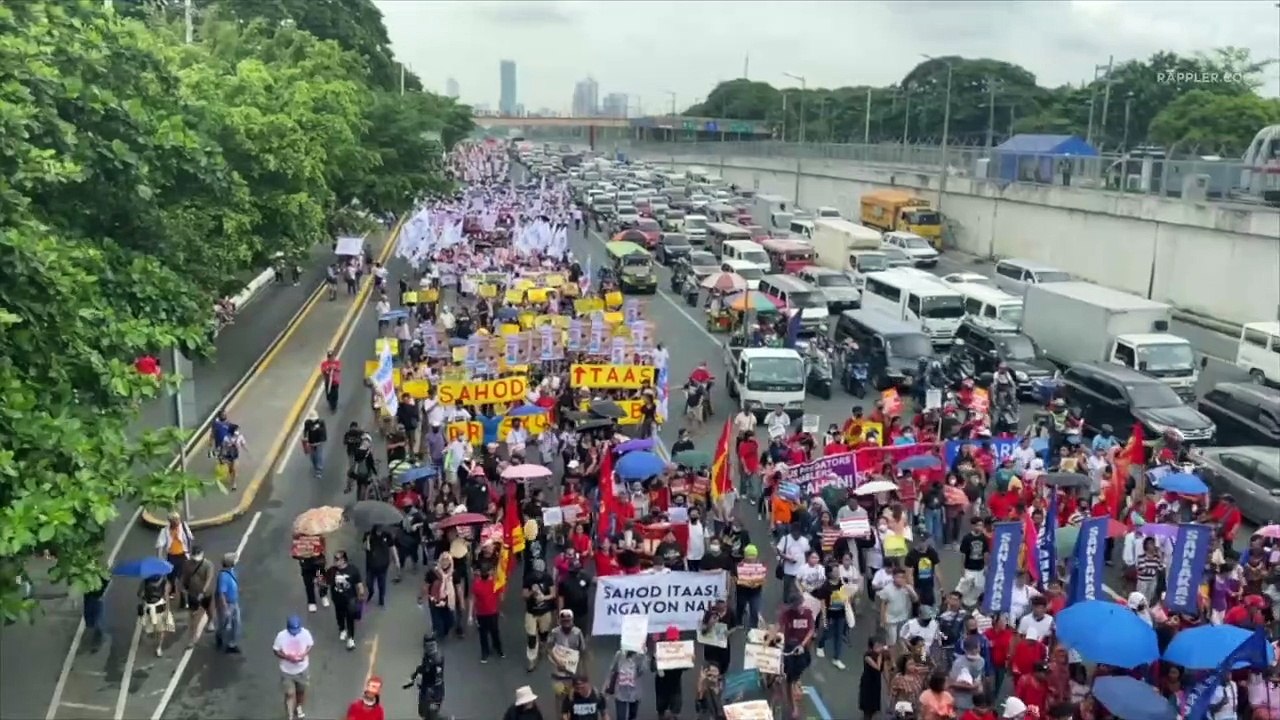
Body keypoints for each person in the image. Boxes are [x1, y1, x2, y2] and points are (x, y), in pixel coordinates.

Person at [273, 615, 314, 720]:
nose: (294, 633)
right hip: (287, 671)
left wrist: (304, 654)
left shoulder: (305, 633)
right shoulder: (281, 636)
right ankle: (290, 715)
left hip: (302, 669)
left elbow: (310, 645)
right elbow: (276, 650)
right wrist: (287, 657)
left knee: (301, 691)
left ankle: (299, 707)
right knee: (289, 694)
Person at [325, 551, 365, 650]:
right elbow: (324, 580)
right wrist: (318, 573)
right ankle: (342, 629)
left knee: (350, 618)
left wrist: (361, 593)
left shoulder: (353, 570)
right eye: (334, 559)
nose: (335, 561)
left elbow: (359, 583)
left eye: (337, 559)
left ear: (343, 560)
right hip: (337, 599)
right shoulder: (332, 570)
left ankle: (351, 638)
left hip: (350, 599)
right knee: (339, 616)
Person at [406, 633, 445, 720]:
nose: (430, 647)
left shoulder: (436, 659)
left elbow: (428, 671)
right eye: (428, 645)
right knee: (423, 713)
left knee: (430, 714)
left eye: (432, 645)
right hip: (427, 689)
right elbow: (422, 668)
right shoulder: (428, 656)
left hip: (433, 691)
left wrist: (416, 677)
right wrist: (414, 676)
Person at [215, 552, 242, 654]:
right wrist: (225, 608)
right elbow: (221, 593)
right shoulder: (223, 576)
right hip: (227, 604)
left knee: (236, 623)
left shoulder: (231, 571)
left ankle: (232, 644)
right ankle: (219, 636)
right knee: (225, 623)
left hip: (234, 602)